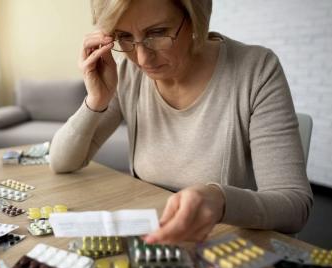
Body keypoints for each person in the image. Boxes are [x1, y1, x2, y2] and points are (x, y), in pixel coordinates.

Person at [49, 0, 313, 244]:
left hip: (219, 240)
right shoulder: (128, 73)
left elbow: (294, 207)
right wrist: (96, 100)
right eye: (124, 37)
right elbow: (62, 161)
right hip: (150, 237)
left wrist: (220, 200)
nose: (142, 60)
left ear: (195, 18)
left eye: (158, 33)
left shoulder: (255, 69)